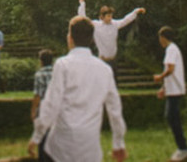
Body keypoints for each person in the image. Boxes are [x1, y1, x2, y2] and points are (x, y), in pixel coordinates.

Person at [28, 16, 128, 162]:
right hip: (89, 147)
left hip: (61, 145)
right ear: (92, 39)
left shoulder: (62, 65)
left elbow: (51, 103)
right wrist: (118, 143)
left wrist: (37, 136)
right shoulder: (104, 70)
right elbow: (115, 109)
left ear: (70, 38)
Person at [154, 26, 187, 161]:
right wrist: (164, 88)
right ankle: (182, 147)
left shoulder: (171, 49)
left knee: (172, 118)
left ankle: (183, 148)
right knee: (172, 118)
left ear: (163, 37)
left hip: (176, 90)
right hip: (172, 90)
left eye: (159, 38)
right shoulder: (171, 49)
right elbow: (169, 70)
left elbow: (170, 69)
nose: (159, 41)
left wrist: (159, 77)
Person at [77, 0, 145, 65]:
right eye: (108, 16)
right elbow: (84, 19)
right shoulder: (96, 25)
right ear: (102, 16)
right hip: (102, 60)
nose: (110, 18)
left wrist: (136, 11)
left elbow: (126, 20)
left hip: (113, 60)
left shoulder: (115, 24)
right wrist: (82, 4)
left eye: (111, 16)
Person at [31, 49, 55, 122]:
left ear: (41, 61)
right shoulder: (58, 72)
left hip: (44, 107)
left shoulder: (39, 74)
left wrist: (33, 111)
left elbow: (38, 94)